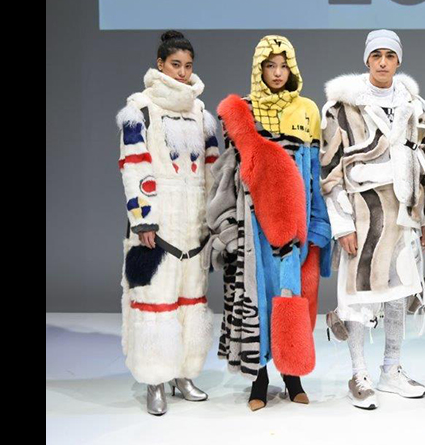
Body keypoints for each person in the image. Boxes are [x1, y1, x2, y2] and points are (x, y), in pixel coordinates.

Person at [209, 35, 332, 411]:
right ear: (259, 69)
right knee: (257, 296)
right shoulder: (241, 113)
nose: (277, 73)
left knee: (292, 295)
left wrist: (317, 224)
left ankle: (292, 374)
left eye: (283, 66)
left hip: (294, 224)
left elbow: (313, 173)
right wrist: (228, 228)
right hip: (253, 226)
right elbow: (229, 177)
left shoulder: (307, 110)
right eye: (270, 66)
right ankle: (259, 379)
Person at [320, 30, 425, 410]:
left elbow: (424, 162)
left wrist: (423, 217)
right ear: (367, 59)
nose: (383, 62)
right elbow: (331, 170)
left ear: (398, 60)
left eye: (390, 55)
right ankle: (359, 373)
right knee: (357, 296)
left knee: (399, 291)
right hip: (363, 214)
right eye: (377, 55)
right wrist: (342, 224)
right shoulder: (342, 107)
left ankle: (391, 369)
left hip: (403, 214)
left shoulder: (414, 106)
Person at [116, 30, 216, 416]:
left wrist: (213, 218)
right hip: (158, 224)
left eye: (188, 66)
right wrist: (144, 221)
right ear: (160, 65)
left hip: (194, 223)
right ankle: (155, 379)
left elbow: (212, 170)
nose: (182, 72)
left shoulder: (201, 112)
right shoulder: (140, 109)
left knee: (192, 298)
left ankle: (184, 374)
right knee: (156, 301)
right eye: (176, 65)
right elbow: (134, 166)